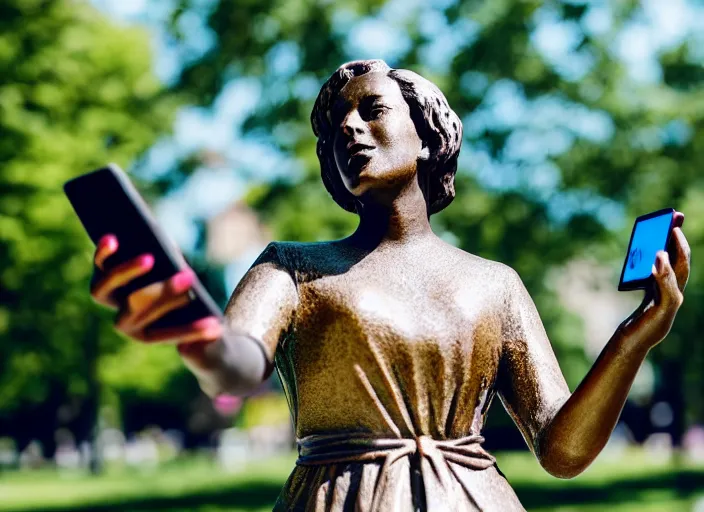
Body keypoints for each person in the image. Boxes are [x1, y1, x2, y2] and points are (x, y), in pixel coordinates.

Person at [88, 60, 691, 511]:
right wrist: (197, 337)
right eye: (336, 127)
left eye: (372, 109)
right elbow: (237, 363)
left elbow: (562, 451)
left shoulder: (495, 285)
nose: (349, 128)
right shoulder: (293, 267)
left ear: (427, 135)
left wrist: (633, 338)